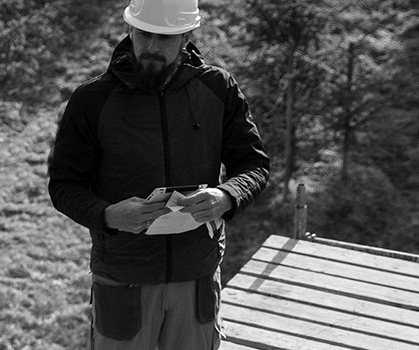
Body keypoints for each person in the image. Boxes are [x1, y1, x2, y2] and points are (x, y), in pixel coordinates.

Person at [46, 0, 270, 348]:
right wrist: (107, 215)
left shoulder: (218, 88)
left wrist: (226, 196)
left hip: (196, 275)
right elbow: (63, 185)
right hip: (123, 276)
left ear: (186, 36)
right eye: (144, 33)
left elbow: (253, 165)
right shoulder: (92, 100)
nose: (151, 47)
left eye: (164, 37)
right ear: (130, 30)